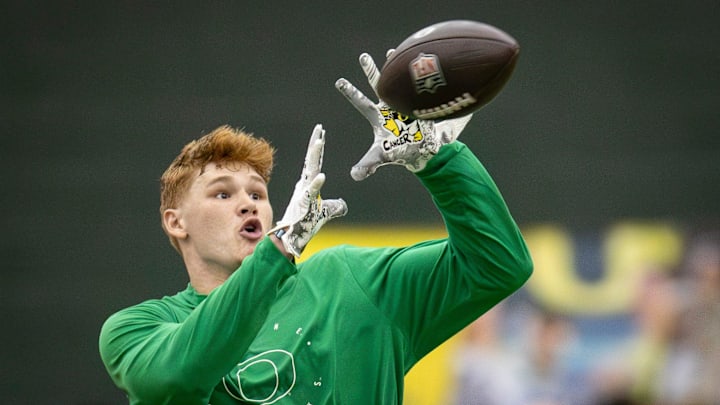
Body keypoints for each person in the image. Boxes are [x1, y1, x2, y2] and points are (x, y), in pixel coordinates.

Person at [99, 52, 533, 405]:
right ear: (176, 223)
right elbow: (177, 379)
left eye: (257, 193)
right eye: (222, 194)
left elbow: (498, 266)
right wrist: (278, 251)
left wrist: (437, 162)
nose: (248, 203)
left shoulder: (350, 280)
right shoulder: (137, 329)